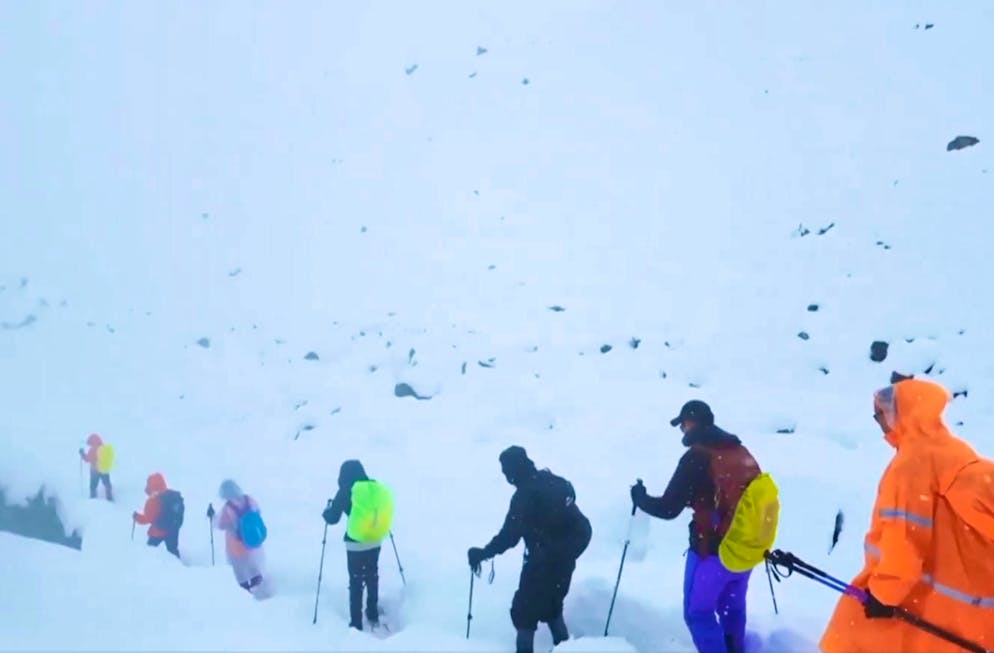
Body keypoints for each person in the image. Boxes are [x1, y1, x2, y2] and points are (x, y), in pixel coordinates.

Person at [820, 378, 994, 653]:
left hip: (930, 599)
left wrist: (884, 594)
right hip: (970, 599)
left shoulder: (911, 465)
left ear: (903, 413)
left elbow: (904, 537)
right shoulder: (954, 450)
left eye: (881, 415)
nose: (880, 423)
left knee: (850, 635)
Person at [631, 400, 763, 653]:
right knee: (732, 608)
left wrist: (640, 498)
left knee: (698, 613)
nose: (682, 430)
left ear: (691, 423)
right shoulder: (739, 450)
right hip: (745, 548)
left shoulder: (696, 457)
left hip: (711, 551)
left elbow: (668, 508)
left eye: (683, 425)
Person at [467, 446, 592, 653]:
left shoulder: (524, 496)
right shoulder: (552, 481)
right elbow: (580, 524)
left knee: (524, 613)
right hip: (565, 562)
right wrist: (563, 553)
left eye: (506, 471)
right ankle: (565, 647)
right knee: (552, 607)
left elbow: (509, 536)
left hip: (542, 564)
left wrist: (483, 553)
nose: (505, 476)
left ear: (514, 470)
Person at [322, 460, 394, 631]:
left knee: (356, 581)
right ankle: (372, 612)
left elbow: (333, 518)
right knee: (372, 574)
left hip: (355, 543)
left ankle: (356, 623)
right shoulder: (374, 487)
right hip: (375, 539)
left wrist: (327, 511)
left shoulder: (346, 490)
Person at [210, 479, 267, 593]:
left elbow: (220, 524)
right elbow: (258, 512)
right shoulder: (249, 500)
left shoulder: (228, 508)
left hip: (236, 546)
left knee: (239, 573)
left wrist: (212, 516)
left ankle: (245, 595)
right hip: (252, 542)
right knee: (253, 568)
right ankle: (262, 589)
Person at [132, 472, 183, 558]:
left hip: (158, 531)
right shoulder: (171, 496)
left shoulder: (153, 501)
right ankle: (178, 564)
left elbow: (148, 519)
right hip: (173, 529)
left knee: (149, 551)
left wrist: (137, 517)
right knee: (173, 550)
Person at [78, 433, 113, 501]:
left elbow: (87, 459)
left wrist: (82, 454)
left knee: (93, 486)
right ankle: (109, 497)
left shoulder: (93, 450)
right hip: (104, 469)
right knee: (107, 483)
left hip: (95, 470)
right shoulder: (105, 449)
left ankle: (93, 499)